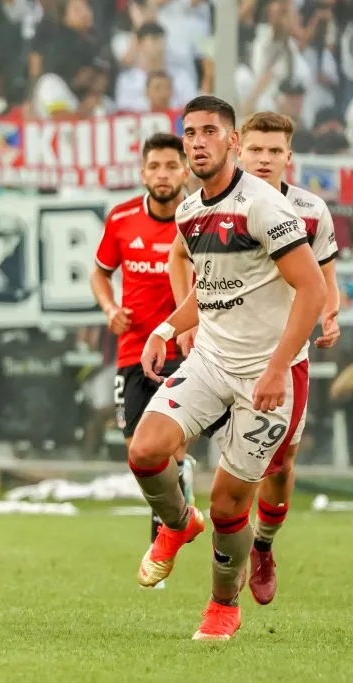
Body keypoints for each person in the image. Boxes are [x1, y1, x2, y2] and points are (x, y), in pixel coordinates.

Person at [130, 96, 326, 641]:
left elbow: (312, 289)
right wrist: (165, 329)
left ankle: (222, 605)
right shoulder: (190, 211)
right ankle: (177, 525)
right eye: (190, 133)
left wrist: (277, 369)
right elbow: (213, 288)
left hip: (270, 373)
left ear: (232, 141)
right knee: (145, 450)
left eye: (210, 132)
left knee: (228, 504)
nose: (198, 142)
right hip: (212, 360)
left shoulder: (264, 207)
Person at [166, 110, 341, 607]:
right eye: (257, 150)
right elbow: (181, 258)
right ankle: (191, 530)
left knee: (280, 466)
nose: (265, 159)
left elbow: (323, 277)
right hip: (220, 354)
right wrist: (184, 319)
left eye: (275, 151)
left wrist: (329, 315)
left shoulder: (309, 210)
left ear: (289, 157)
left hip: (281, 359)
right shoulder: (213, 204)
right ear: (240, 149)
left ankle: (262, 545)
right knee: (176, 445)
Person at [89, 131, 196, 584]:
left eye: (171, 166)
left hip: (184, 351)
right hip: (133, 352)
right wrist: (110, 309)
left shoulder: (200, 218)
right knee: (138, 453)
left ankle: (162, 541)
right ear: (143, 173)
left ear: (185, 171)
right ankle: (181, 504)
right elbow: (99, 273)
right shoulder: (122, 218)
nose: (163, 174)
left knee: (167, 447)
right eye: (155, 166)